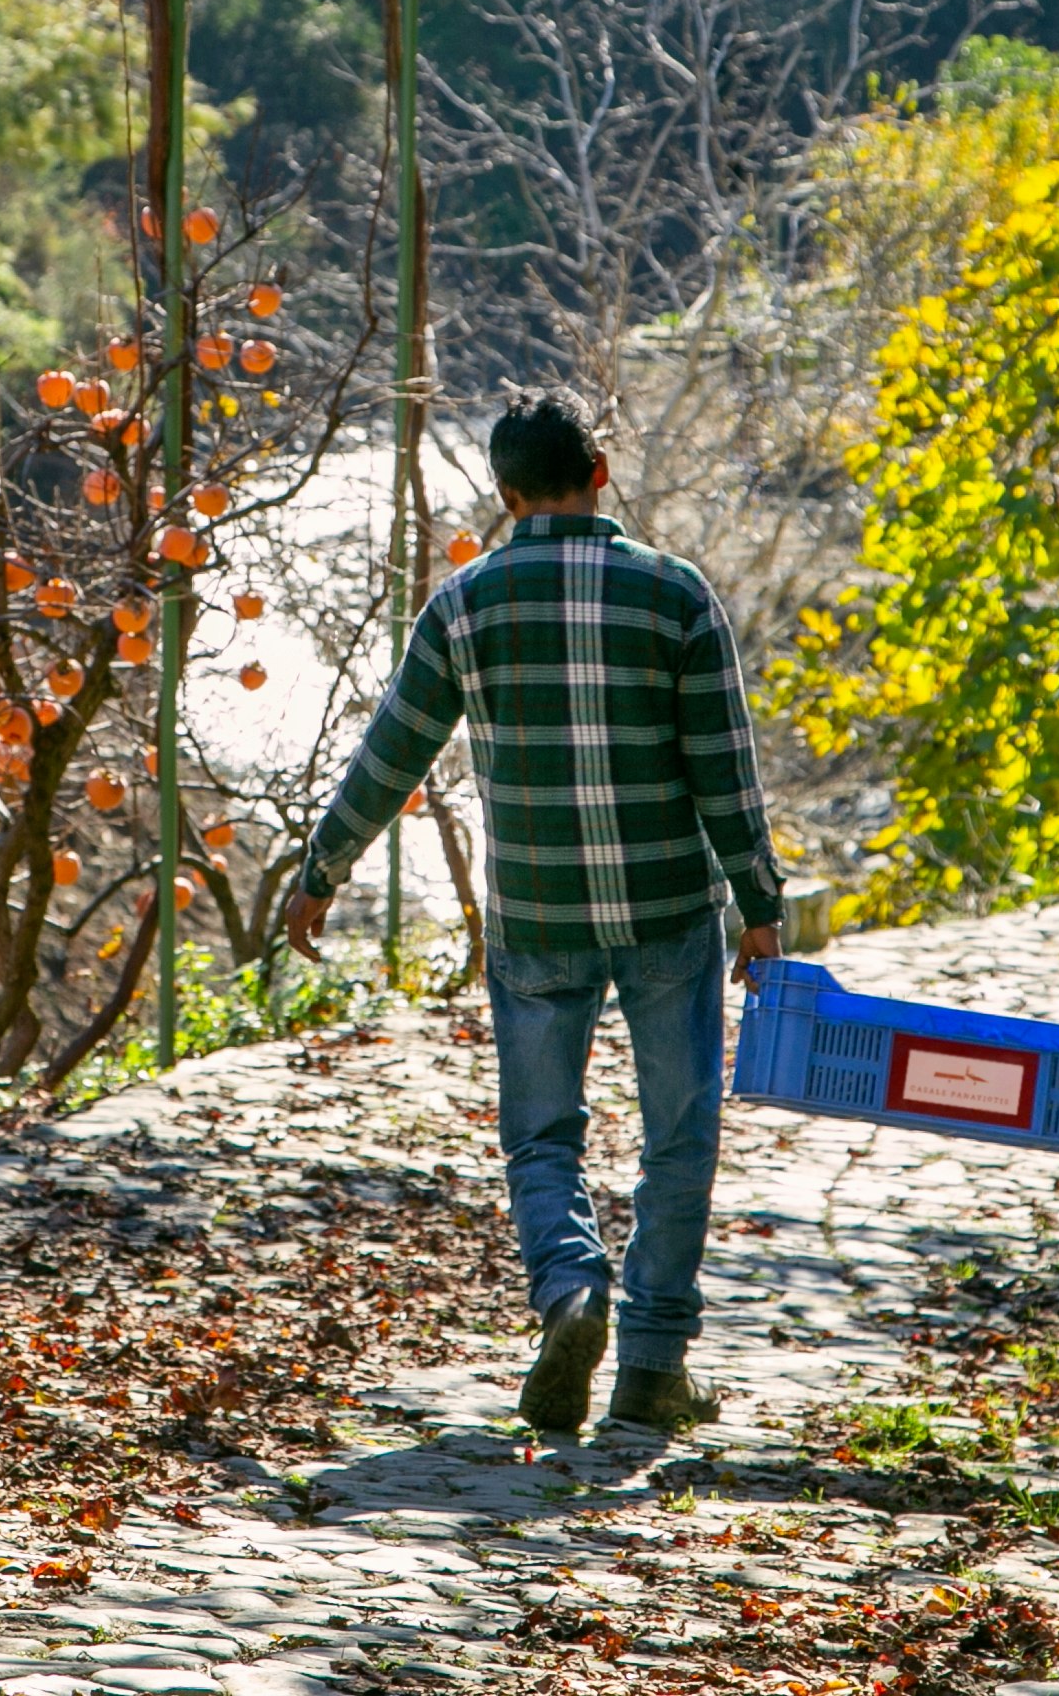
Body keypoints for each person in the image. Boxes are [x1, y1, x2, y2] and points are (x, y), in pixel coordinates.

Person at [281, 392, 786, 1435]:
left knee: (541, 1137)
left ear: (506, 497)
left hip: (538, 919)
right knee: (679, 1136)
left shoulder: (464, 605)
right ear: (599, 470)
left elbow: (393, 753)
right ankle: (651, 1367)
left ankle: (569, 1292)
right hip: (662, 909)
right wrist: (760, 903)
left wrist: (323, 869)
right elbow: (725, 771)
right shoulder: (674, 596)